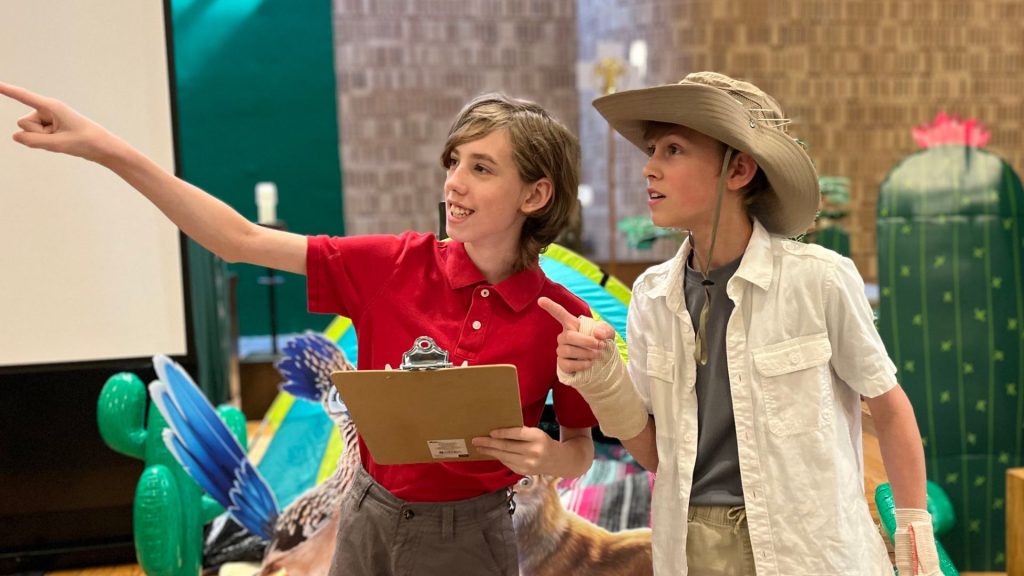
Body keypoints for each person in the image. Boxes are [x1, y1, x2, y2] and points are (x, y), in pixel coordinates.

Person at [0, 83, 598, 576]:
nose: (454, 182)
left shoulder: (565, 318)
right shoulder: (393, 265)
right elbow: (238, 239)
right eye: (453, 162)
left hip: (473, 537)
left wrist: (549, 454)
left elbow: (580, 448)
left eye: (481, 168)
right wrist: (104, 148)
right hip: (366, 517)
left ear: (535, 194)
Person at [538, 72, 941, 575]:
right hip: (693, 548)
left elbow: (889, 406)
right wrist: (602, 377)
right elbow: (657, 454)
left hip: (810, 549)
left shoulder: (820, 280)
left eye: (674, 150)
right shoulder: (651, 296)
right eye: (653, 149)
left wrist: (914, 538)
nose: (649, 168)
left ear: (739, 169)